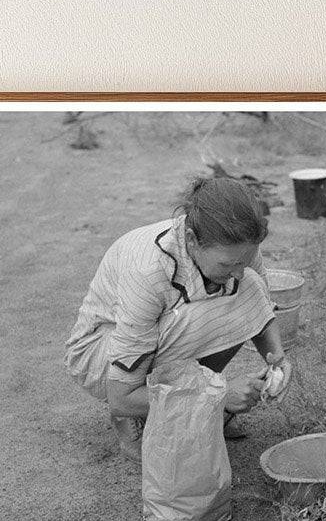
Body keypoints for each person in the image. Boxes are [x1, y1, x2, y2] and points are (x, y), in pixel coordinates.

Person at [65, 177, 292, 458]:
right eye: (228, 264)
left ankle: (185, 405)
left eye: (243, 262)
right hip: (100, 358)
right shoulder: (148, 271)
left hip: (158, 337)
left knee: (247, 288)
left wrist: (278, 362)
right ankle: (136, 417)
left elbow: (256, 304)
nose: (237, 271)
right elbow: (120, 398)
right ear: (191, 240)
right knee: (223, 306)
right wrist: (219, 397)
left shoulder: (239, 251)